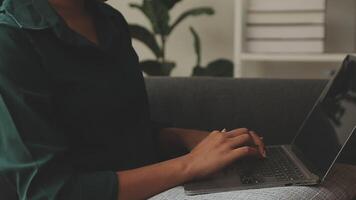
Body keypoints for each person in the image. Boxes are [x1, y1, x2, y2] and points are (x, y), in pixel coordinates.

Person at [0, 0, 266, 199]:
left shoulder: (108, 20)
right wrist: (190, 164)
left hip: (157, 187)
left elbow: (115, 133)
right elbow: (49, 193)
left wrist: (187, 138)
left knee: (296, 187)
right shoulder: (10, 39)